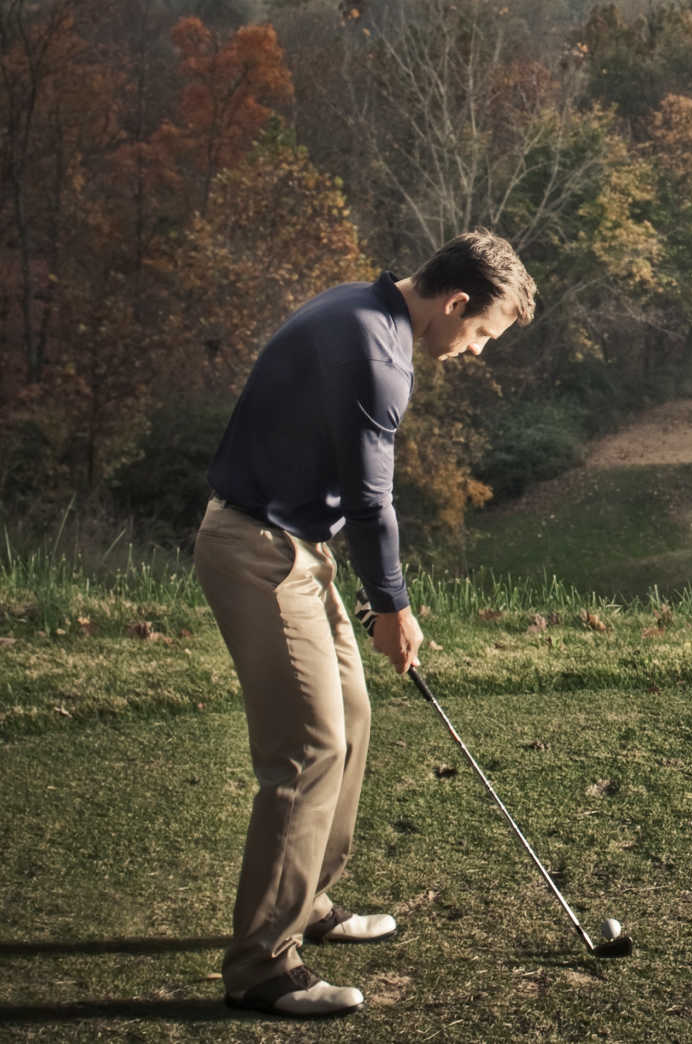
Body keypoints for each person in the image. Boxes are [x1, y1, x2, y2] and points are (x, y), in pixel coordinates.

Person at [194, 229, 535, 1018]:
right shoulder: (377, 351)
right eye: (483, 333)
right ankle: (262, 966)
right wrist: (393, 607)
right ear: (457, 304)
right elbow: (375, 501)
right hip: (258, 548)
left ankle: (307, 899)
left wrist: (376, 601)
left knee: (350, 715)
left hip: (298, 546)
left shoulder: (364, 308)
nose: (477, 350)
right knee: (308, 748)